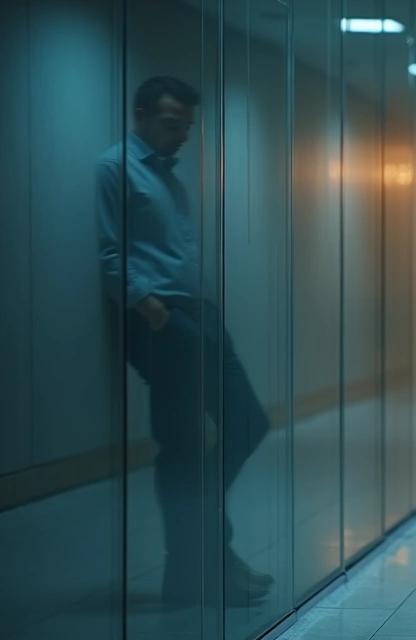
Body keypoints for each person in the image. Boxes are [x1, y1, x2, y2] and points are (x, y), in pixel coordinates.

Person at [97, 76, 273, 609]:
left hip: (195, 318)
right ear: (141, 116)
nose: (182, 136)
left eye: (187, 127)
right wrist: (154, 316)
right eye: (172, 125)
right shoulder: (116, 169)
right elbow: (112, 254)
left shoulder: (167, 175)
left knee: (247, 423)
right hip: (163, 320)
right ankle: (203, 568)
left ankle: (205, 557)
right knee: (181, 448)